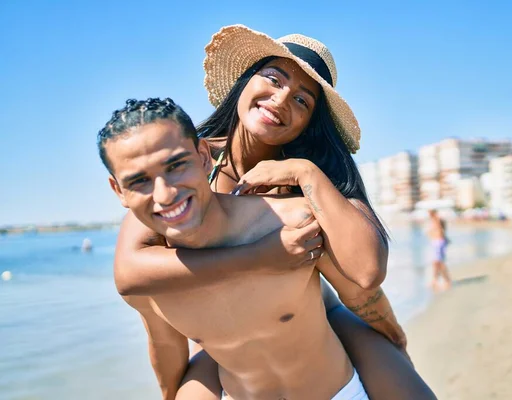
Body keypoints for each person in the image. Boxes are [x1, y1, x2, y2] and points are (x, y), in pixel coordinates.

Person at [111, 25, 435, 400]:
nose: (282, 100)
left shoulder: (313, 179)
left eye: (303, 101)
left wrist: (303, 171)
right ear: (244, 83)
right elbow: (130, 272)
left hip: (313, 316)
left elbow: (364, 273)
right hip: (224, 336)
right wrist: (263, 257)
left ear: (311, 122)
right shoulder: (189, 167)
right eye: (273, 79)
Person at [427, 209, 451, 291]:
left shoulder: (437, 220)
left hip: (439, 243)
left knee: (440, 263)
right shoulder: (434, 220)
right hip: (436, 243)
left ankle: (447, 281)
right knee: (436, 263)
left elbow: (441, 230)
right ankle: (435, 280)